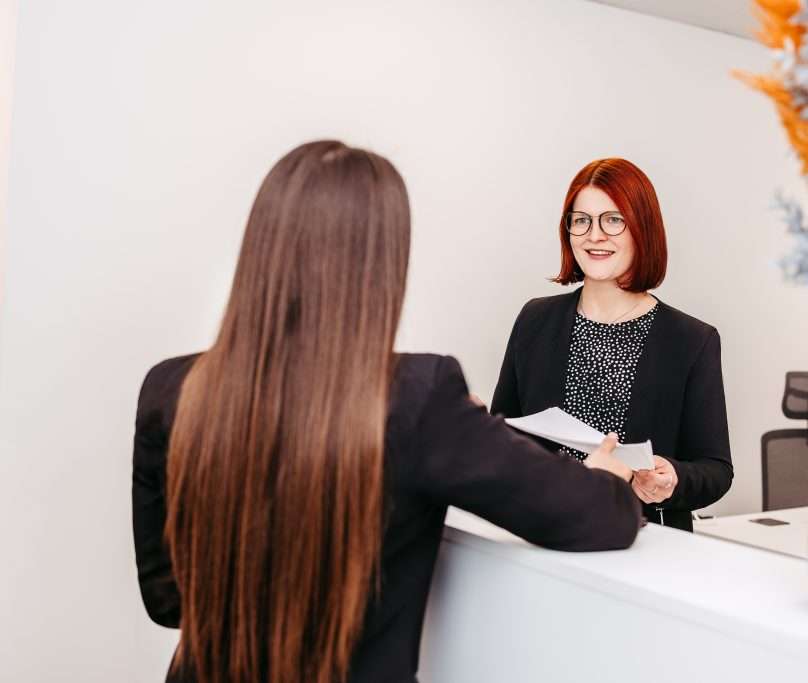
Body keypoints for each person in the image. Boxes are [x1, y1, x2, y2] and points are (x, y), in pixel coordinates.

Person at [132, 141, 640, 683]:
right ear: (381, 263)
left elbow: (168, 600)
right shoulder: (420, 397)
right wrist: (608, 478)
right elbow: (594, 517)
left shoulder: (169, 387)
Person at [490, 158, 733, 531]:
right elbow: (502, 435)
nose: (595, 235)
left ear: (642, 229)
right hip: (544, 530)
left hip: (642, 542)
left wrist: (673, 479)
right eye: (582, 220)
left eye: (614, 220)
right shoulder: (535, 320)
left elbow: (715, 469)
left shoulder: (692, 340)